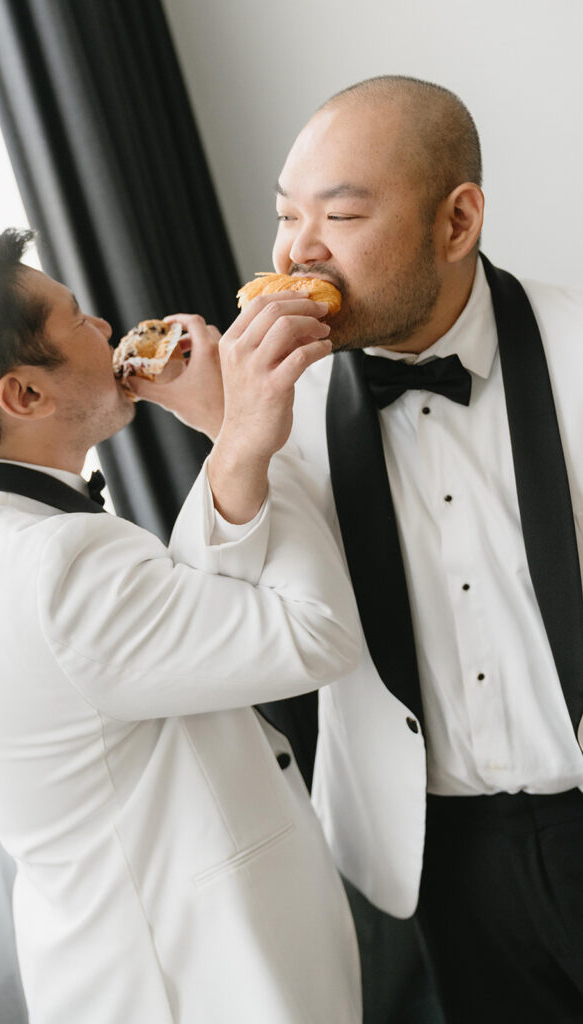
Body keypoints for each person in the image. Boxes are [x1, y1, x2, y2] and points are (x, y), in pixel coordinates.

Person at [0, 228, 365, 1023]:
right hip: (196, 978)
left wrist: (232, 445)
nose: (108, 330)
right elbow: (310, 633)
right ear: (24, 396)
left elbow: (180, 629)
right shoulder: (54, 564)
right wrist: (240, 432)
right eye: (76, 320)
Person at [267, 75, 583, 1024]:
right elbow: (236, 626)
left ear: (457, 222)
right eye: (286, 216)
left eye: (342, 215)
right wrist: (235, 443)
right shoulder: (273, 415)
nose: (297, 252)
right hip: (435, 863)